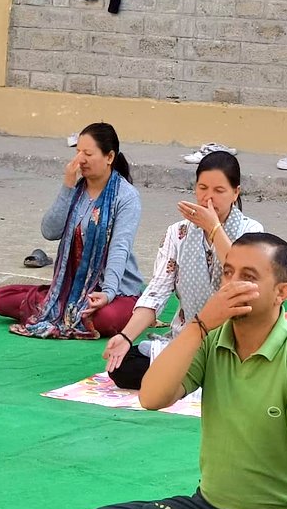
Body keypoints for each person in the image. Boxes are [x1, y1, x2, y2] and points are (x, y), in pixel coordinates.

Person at [85, 233, 287, 509]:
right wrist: (199, 324)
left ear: (281, 293)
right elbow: (152, 398)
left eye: (248, 277)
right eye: (227, 273)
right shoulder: (211, 337)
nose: (231, 286)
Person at [103, 151, 263, 389]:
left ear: (235, 193)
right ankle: (203, 374)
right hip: (187, 339)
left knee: (246, 367)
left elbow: (239, 277)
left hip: (236, 341)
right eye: (202, 188)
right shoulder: (177, 232)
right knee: (124, 367)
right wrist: (126, 337)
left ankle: (202, 374)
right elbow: (156, 292)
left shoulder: (251, 231)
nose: (208, 198)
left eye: (219, 191)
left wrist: (214, 229)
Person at [0, 122, 143, 339]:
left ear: (109, 157)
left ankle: (124, 309)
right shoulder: (76, 190)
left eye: (88, 153)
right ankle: (62, 308)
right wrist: (67, 187)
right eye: (78, 151)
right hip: (70, 290)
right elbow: (50, 231)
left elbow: (120, 247)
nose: (80, 159)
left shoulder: (126, 196)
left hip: (116, 291)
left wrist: (108, 293)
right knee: (0, 298)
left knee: (104, 320)